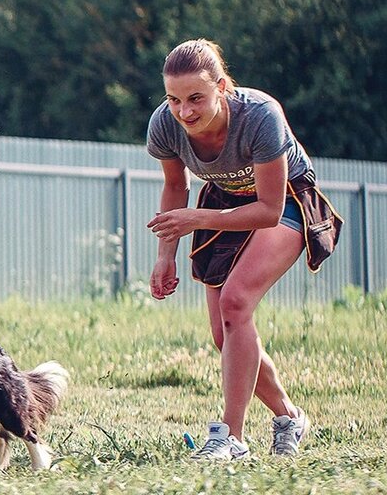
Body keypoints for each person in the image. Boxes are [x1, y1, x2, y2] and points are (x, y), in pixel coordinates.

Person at [145, 38, 342, 460]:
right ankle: (289, 417)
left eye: (196, 97)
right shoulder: (165, 123)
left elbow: (269, 210)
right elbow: (176, 186)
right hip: (225, 201)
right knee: (225, 333)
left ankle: (230, 437)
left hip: (286, 200)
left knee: (236, 304)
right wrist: (165, 256)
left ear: (222, 87)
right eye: (174, 99)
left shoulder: (260, 116)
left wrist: (195, 220)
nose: (185, 111)